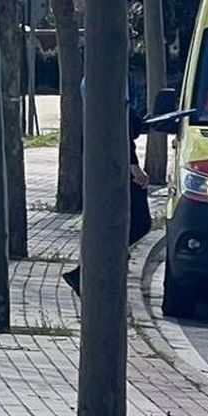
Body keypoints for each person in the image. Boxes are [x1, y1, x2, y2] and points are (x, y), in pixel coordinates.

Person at [63, 75, 152, 297]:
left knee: (121, 222)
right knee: (138, 221)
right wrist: (132, 165)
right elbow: (117, 123)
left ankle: (94, 270)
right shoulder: (109, 76)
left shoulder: (101, 77)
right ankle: (90, 271)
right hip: (115, 160)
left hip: (106, 158)